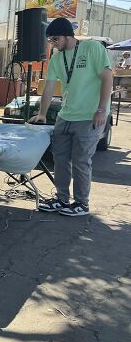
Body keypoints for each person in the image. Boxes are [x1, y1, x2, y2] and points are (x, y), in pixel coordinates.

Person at [30, 17, 112, 217]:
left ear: (68, 35)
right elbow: (49, 87)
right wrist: (42, 113)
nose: (53, 43)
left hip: (90, 115)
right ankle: (61, 199)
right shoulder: (57, 58)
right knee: (60, 158)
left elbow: (107, 76)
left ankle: (82, 204)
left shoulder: (92, 48)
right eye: (50, 40)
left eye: (55, 39)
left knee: (81, 160)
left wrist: (101, 110)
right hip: (66, 115)